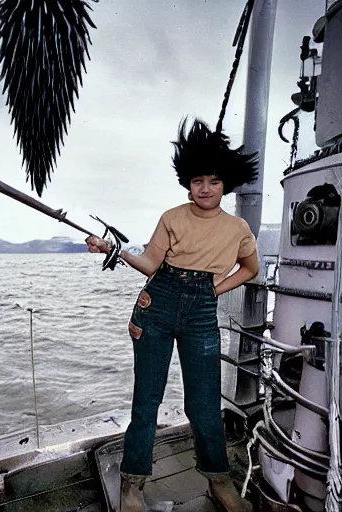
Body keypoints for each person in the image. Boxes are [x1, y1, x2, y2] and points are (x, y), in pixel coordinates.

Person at [86, 117, 259, 512]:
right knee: (147, 401)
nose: (205, 188)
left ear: (225, 183)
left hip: (201, 312)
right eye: (198, 180)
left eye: (214, 181)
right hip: (157, 306)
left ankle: (219, 482)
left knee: (203, 404)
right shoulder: (172, 217)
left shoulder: (238, 228)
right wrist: (113, 249)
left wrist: (213, 289)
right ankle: (132, 485)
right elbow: (150, 264)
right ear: (187, 182)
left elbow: (251, 270)